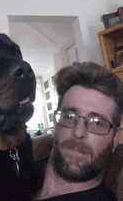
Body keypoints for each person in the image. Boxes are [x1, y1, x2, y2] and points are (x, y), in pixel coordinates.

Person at [34, 62, 123, 201]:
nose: (78, 132)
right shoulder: (18, 173)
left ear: (116, 137)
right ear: (55, 123)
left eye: (97, 122)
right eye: (69, 116)